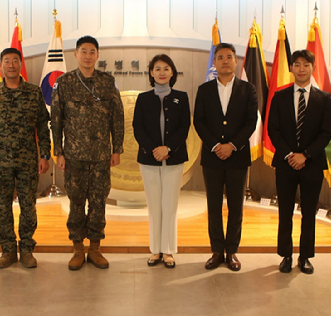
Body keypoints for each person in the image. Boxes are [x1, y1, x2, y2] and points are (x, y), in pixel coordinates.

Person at [51, 35, 124, 270]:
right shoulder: (64, 83)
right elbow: (57, 119)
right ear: (75, 54)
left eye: (92, 52)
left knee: (98, 202)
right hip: (73, 156)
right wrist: (58, 151)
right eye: (84, 51)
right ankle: (77, 248)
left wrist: (117, 148)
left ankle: (94, 248)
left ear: (98, 55)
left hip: (101, 155)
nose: (88, 56)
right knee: (75, 201)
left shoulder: (107, 82)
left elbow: (117, 117)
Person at [0, 47, 51, 269]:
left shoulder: (33, 92)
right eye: (6, 61)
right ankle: (8, 250)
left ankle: (27, 249)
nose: (11, 65)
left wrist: (45, 154)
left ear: (21, 64)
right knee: (2, 206)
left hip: (28, 160)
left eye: (15, 61)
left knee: (28, 205)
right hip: (0, 162)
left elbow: (42, 126)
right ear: (0, 66)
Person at [267, 49, 331, 275]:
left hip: (312, 164)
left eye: (306, 64)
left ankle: (305, 256)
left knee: (309, 213)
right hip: (286, 164)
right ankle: (285, 255)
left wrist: (305, 155)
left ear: (313, 68)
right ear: (291, 68)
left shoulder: (324, 99)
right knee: (284, 212)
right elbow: (273, 130)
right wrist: (290, 155)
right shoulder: (279, 96)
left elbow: (326, 133)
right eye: (297, 64)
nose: (302, 68)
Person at [193, 42, 258, 272]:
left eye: (229, 57)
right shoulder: (204, 90)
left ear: (236, 61)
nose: (225, 61)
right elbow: (198, 121)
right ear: (214, 62)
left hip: (237, 157)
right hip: (212, 158)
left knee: (235, 208)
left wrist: (231, 145)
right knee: (213, 206)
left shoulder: (248, 89)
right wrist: (215, 146)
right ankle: (216, 251)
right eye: (220, 57)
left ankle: (232, 252)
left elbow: (251, 122)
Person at [132, 54, 190, 269]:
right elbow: (138, 128)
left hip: (174, 158)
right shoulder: (143, 98)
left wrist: (168, 149)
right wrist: (154, 150)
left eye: (166, 68)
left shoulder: (181, 97)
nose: (162, 72)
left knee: (170, 205)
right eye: (158, 69)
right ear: (151, 73)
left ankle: (168, 251)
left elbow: (184, 127)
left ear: (172, 72)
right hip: (149, 159)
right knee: (154, 205)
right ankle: (155, 249)